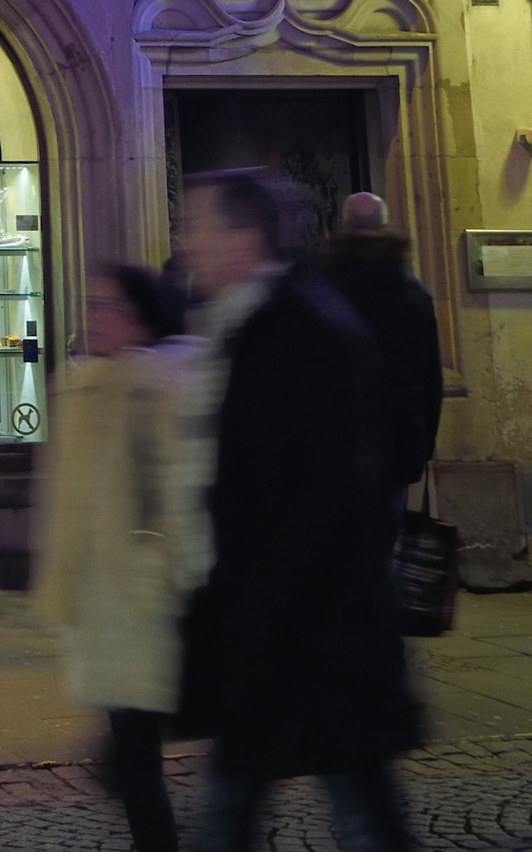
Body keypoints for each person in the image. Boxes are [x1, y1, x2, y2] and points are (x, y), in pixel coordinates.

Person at [179, 171, 419, 852]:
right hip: (274, 633)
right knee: (249, 808)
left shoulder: (299, 329)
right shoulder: (238, 326)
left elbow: (327, 498)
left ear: (244, 238)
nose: (185, 243)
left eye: (196, 227)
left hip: (311, 635)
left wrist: (260, 610)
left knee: (354, 811)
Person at [34, 265, 198, 852]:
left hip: (139, 605)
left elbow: (176, 498)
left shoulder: (153, 390)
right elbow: (66, 504)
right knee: (130, 757)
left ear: (139, 319)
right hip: (103, 606)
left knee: (136, 764)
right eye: (92, 303)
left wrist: (161, 579)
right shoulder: (82, 388)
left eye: (109, 306)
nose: (95, 317)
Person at [320, 193, 443, 518]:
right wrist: (422, 445)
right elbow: (431, 380)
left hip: (334, 449)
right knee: (385, 534)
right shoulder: (414, 296)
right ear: (386, 225)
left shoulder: (321, 295)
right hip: (397, 446)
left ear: (343, 225)